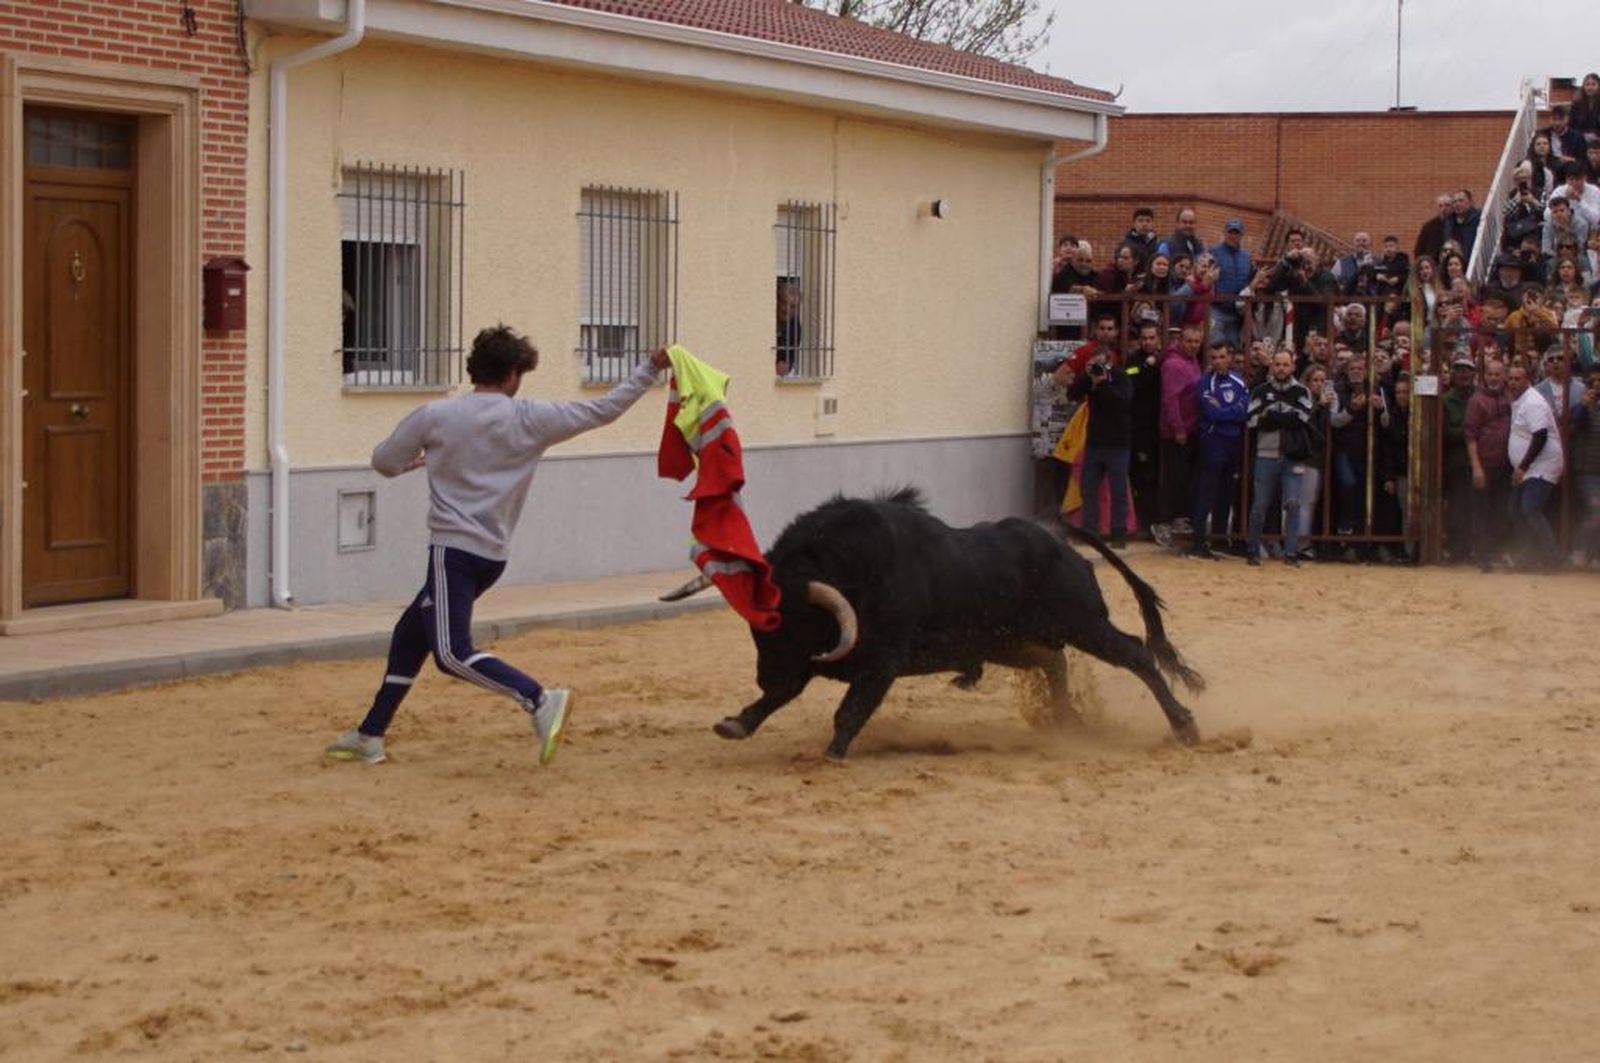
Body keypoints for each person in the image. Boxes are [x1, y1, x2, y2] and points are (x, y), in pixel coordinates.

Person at [325, 326, 671, 766]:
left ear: (475, 369)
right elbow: (605, 410)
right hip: (492, 556)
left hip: (451, 551)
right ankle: (369, 733)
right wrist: (648, 369)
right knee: (411, 634)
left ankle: (539, 699)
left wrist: (418, 462)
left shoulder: (436, 417)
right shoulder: (530, 417)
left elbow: (384, 462)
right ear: (512, 375)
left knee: (451, 652)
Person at [1244, 350, 1314, 567]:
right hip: (1265, 454)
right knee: (1260, 506)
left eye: (1285, 364)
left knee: (1293, 504)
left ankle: (1291, 553)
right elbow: (1251, 421)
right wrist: (1284, 416)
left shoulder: (1302, 390)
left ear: (1293, 366)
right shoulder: (1260, 391)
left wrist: (1272, 415)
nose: (1281, 368)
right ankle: (1253, 549)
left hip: (1292, 455)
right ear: (1272, 366)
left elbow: (1303, 418)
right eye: (1277, 364)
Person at [1067, 346, 1134, 548]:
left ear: (1109, 361)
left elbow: (1122, 401)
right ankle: (1090, 532)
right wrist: (1087, 377)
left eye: (1101, 363)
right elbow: (1072, 394)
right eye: (1094, 363)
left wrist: (1102, 384)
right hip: (1095, 443)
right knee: (1088, 489)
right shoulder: (1090, 379)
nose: (1098, 368)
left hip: (1118, 444)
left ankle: (1119, 534)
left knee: (1118, 490)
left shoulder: (1120, 377)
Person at [1187, 341, 1249, 560]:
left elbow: (1245, 411)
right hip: (1213, 441)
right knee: (1207, 490)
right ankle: (1199, 541)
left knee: (1227, 490)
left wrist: (1226, 411)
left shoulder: (1238, 380)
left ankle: (1220, 540)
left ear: (1229, 357)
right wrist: (1231, 412)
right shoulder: (1205, 382)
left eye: (1222, 357)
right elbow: (1212, 413)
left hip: (1233, 442)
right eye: (1214, 358)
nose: (1218, 361)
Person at [1506, 361, 1566, 568]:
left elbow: (1540, 436)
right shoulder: (1521, 400)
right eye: (1511, 378)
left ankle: (1552, 558)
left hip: (1541, 466)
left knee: (1530, 509)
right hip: (1528, 467)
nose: (1513, 383)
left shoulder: (1533, 402)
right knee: (1515, 510)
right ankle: (1528, 556)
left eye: (1517, 379)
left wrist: (1522, 466)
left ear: (1528, 380)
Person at [1152, 322, 1205, 547]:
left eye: (1196, 342)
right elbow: (1170, 399)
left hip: (1191, 428)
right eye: (1189, 341)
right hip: (1178, 431)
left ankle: (1177, 519)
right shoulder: (1174, 364)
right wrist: (1178, 428)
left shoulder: (1191, 361)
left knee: (1184, 478)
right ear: (1180, 341)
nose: (1193, 346)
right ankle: (1162, 522)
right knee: (1173, 478)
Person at [1465, 358, 1513, 571]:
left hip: (1505, 464)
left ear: (1503, 376)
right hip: (1485, 463)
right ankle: (1483, 557)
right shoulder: (1477, 400)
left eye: (1497, 374)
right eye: (1490, 374)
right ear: (1484, 376)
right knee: (1482, 512)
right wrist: (1476, 467)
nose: (1494, 378)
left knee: (1501, 512)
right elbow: (1470, 435)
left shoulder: (1509, 398)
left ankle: (1496, 552)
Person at [1295, 364, 1336, 559]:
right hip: (1306, 457)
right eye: (1315, 380)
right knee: (1305, 502)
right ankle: (1301, 543)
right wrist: (1319, 405)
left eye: (1322, 381)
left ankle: (1303, 541)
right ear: (1308, 382)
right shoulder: (1306, 400)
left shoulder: (1327, 402)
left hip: (1318, 458)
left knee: (1310, 502)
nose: (1319, 384)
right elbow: (1303, 422)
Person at [1441, 354, 1477, 563]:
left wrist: (1466, 432)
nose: (1463, 374)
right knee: (1456, 509)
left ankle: (1474, 549)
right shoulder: (1446, 400)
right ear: (1452, 374)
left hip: (1478, 461)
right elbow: (1443, 432)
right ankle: (1457, 550)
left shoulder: (1479, 397)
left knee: (1476, 508)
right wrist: (1469, 432)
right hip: (1456, 462)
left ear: (1473, 373)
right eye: (1459, 370)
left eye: (1467, 370)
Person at [1569, 364, 1600, 562]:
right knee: (1597, 509)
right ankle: (1581, 549)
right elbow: (1575, 426)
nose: (1596, 386)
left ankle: (1590, 552)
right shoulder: (1579, 406)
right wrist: (1584, 405)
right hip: (1587, 471)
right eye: (1592, 382)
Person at [1209, 218, 1253, 349]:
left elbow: (1249, 280)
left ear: (1241, 235)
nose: (1233, 236)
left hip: (1236, 312)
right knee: (1214, 345)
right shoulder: (1213, 252)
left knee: (1234, 348)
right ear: (1225, 233)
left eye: (1236, 233)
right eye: (1230, 232)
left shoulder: (1246, 257)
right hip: (1216, 308)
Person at [1443, 190, 1482, 265]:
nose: (1457, 204)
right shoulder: (1449, 221)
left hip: (1474, 262)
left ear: (1470, 202)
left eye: (1461, 201)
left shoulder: (1479, 218)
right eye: (1455, 202)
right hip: (1455, 263)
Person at [1414, 193, 1453, 263]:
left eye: (1447, 205)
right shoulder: (1429, 227)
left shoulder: (1458, 224)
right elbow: (1419, 250)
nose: (1443, 209)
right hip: (1434, 264)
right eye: (1440, 206)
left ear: (1452, 207)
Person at [775, 277, 803, 376]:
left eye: (792, 306)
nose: (786, 309)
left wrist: (785, 364)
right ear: (776, 301)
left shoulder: (794, 328)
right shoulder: (767, 319)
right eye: (784, 302)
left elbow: (785, 366)